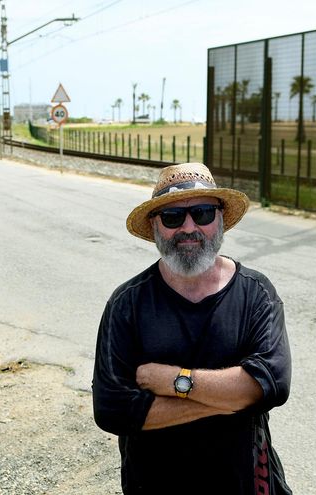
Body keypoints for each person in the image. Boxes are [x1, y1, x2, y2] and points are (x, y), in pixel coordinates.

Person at [92, 162, 292, 495]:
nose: (189, 227)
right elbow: (113, 410)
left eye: (202, 213)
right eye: (172, 217)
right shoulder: (127, 304)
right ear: (156, 226)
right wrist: (232, 399)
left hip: (248, 485)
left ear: (220, 219)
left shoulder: (256, 293)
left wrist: (171, 381)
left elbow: (271, 385)